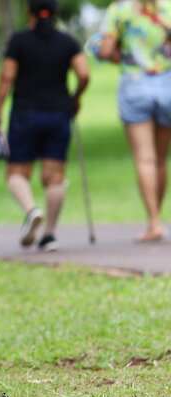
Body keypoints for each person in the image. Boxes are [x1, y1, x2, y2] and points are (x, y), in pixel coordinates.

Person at [0, 0, 90, 251]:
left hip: (25, 114)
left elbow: (7, 77)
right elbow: (84, 73)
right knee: (55, 177)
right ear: (56, 13)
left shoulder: (19, 41)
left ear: (29, 12)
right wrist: (75, 98)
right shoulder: (68, 42)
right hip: (58, 114)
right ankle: (49, 235)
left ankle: (31, 209)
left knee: (16, 173)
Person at [99, 0, 171, 242]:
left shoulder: (119, 10)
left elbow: (105, 51)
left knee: (145, 158)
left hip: (134, 83)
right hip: (167, 83)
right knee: (161, 160)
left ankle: (153, 221)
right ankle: (157, 218)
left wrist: (123, 57)